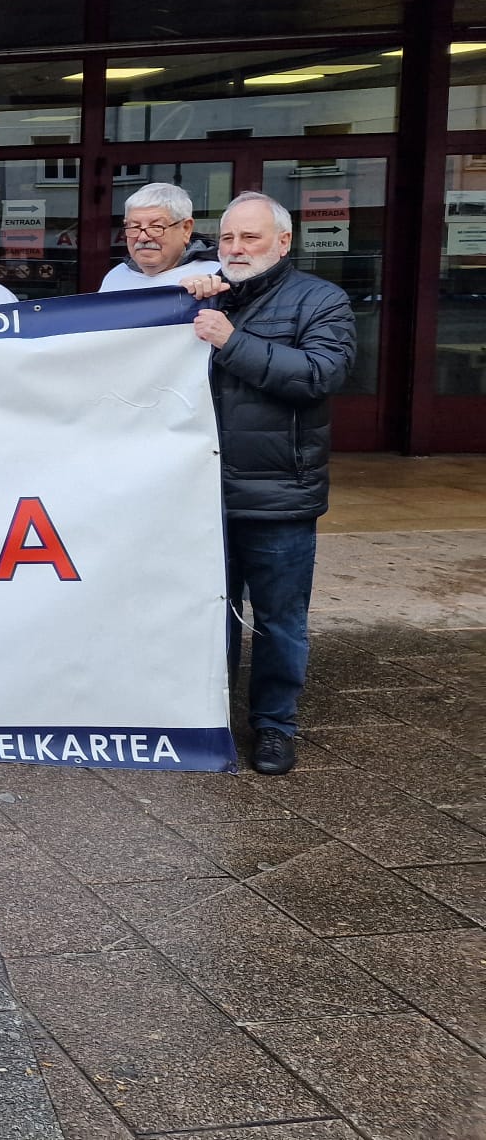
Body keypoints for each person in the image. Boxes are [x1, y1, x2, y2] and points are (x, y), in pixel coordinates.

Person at [181, 192, 355, 776]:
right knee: (210, 614)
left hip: (280, 495)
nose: (236, 249)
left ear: (283, 242)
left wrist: (232, 341)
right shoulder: (204, 293)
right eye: (228, 238)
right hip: (200, 495)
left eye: (250, 238)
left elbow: (320, 375)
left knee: (280, 620)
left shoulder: (321, 300)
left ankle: (275, 727)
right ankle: (210, 720)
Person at [100, 182, 221, 292]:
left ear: (186, 229)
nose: (142, 237)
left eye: (156, 227)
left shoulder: (215, 277)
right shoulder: (115, 277)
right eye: (134, 227)